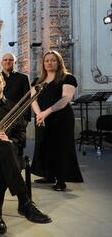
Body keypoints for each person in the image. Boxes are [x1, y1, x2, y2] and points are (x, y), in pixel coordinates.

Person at [0, 72, 52, 234]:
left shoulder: (14, 108)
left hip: (8, 153)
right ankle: (24, 202)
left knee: (4, 153)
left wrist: (9, 140)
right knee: (3, 155)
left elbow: (21, 137)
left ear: (3, 84)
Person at [31, 50, 83, 191]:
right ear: (43, 64)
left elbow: (65, 99)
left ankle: (61, 180)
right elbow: (33, 100)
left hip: (61, 118)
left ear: (59, 62)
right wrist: (39, 114)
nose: (49, 62)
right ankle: (48, 175)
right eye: (47, 60)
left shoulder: (67, 78)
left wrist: (46, 112)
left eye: (53, 60)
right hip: (42, 118)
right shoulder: (38, 81)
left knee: (61, 148)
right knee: (44, 146)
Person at [1, 53, 31, 155]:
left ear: (15, 62)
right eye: (5, 60)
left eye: (10, 60)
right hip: (0, 118)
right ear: (1, 62)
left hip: (18, 119)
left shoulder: (23, 78)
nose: (8, 62)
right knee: (0, 148)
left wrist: (26, 119)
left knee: (17, 149)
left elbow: (28, 99)